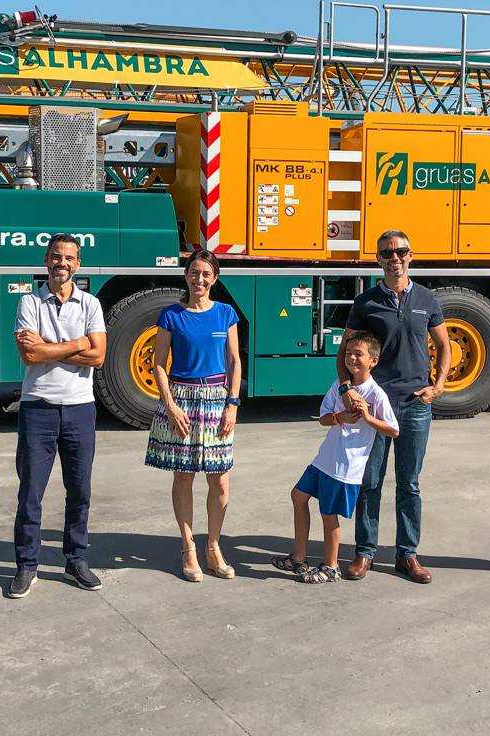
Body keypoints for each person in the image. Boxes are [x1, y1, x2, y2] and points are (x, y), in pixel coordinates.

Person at [338, 230, 450, 584]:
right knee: (369, 481)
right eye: (387, 253)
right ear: (378, 259)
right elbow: (346, 351)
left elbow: (444, 345)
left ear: (410, 255)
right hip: (375, 406)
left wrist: (439, 386)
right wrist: (346, 389)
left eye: (400, 251)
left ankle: (407, 555)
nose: (394, 257)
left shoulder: (427, 298)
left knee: (409, 483)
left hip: (416, 405)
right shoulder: (366, 302)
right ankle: (364, 553)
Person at [7, 234, 108, 598]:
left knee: (80, 491)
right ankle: (26, 565)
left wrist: (51, 348)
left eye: (69, 257)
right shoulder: (29, 302)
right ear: (46, 260)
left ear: (77, 264)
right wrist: (79, 343)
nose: (61, 263)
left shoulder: (91, 304)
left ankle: (76, 559)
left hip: (80, 408)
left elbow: (98, 357)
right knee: (31, 492)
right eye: (55, 256)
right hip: (39, 407)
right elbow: (30, 357)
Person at [145, 249, 242, 582]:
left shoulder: (226, 314)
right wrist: (170, 405)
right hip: (182, 397)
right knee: (183, 476)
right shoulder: (171, 315)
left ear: (214, 278)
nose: (199, 280)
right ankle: (188, 547)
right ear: (186, 275)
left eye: (206, 274)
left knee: (220, 479)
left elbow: (234, 362)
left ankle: (213, 546)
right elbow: (158, 362)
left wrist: (233, 403)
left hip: (217, 399)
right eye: (194, 272)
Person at [272, 332, 398, 583]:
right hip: (325, 459)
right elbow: (323, 418)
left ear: (373, 361)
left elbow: (394, 429)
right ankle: (299, 557)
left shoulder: (375, 394)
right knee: (298, 496)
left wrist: (368, 418)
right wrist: (340, 418)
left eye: (358, 354)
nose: (351, 358)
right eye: (348, 353)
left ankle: (331, 567)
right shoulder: (340, 387)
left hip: (344, 466)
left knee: (329, 514)